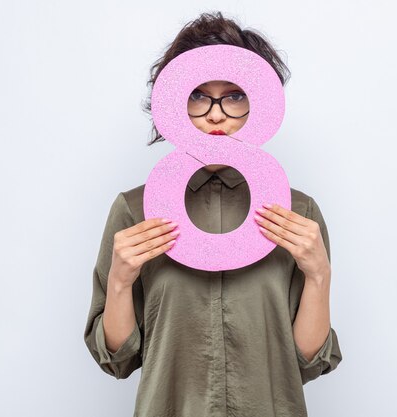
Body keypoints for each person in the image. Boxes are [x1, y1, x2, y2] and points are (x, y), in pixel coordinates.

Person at [84, 11, 342, 417]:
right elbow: (118, 360)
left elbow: (308, 361)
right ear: (174, 104)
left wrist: (319, 275)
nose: (216, 114)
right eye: (199, 95)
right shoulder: (134, 211)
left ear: (259, 103)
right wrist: (119, 281)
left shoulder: (298, 213)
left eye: (235, 95)